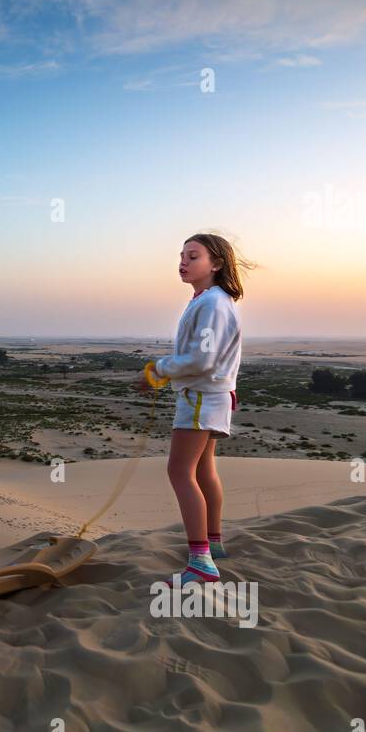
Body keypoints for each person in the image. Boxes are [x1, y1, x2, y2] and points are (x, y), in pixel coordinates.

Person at [137, 233, 247, 587]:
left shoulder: (213, 303)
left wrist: (160, 369)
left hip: (201, 396)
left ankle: (201, 563)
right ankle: (212, 545)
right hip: (212, 395)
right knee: (203, 470)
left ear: (216, 264)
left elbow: (202, 360)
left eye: (193, 256)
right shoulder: (211, 300)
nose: (183, 262)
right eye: (182, 255)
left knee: (179, 471)